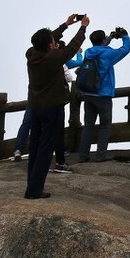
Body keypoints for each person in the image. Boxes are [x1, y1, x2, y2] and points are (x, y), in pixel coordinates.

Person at [24, 13, 88, 199]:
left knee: (35, 148)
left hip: (36, 108)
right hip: (52, 108)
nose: (54, 42)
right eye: (52, 41)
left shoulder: (31, 54)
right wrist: (82, 28)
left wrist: (66, 25)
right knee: (46, 149)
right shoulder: (52, 58)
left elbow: (45, 41)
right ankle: (34, 191)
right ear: (50, 45)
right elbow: (72, 48)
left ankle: (31, 186)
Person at [65, 26, 130, 162]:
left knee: (88, 126)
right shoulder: (108, 54)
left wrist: (110, 38)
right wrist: (125, 36)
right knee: (105, 126)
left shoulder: (89, 52)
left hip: (88, 94)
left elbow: (99, 47)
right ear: (103, 41)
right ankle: (101, 155)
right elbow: (125, 49)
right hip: (103, 95)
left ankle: (83, 156)